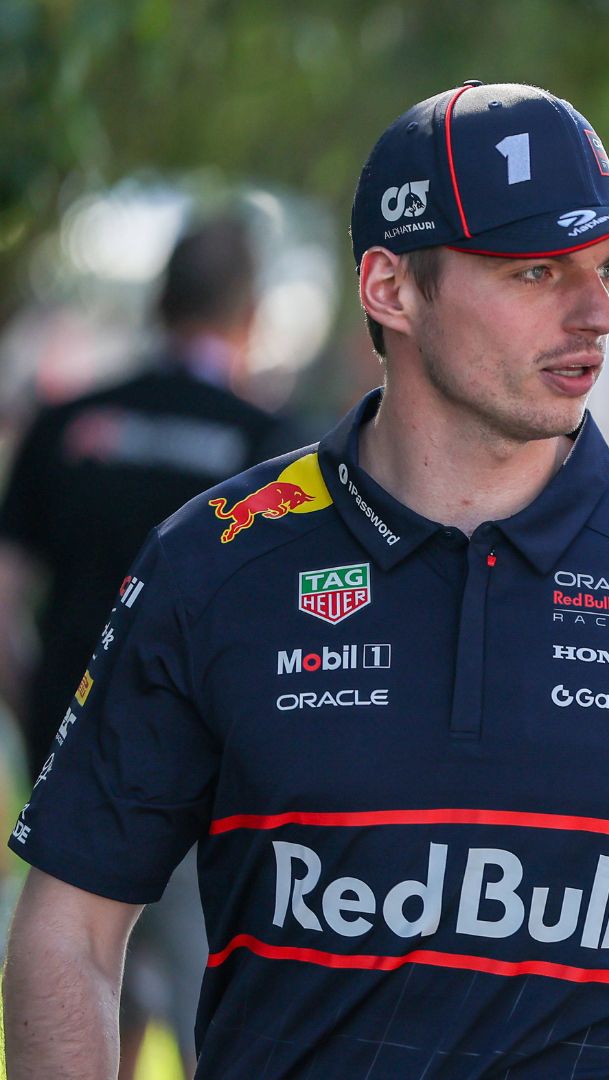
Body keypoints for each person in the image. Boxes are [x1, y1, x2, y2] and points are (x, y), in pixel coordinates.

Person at [4, 81, 609, 1078]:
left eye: (607, 268)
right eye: (536, 270)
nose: (599, 312)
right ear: (391, 289)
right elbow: (72, 933)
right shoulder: (215, 559)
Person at [0, 213, 299, 1078]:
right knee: (214, 978)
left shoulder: (66, 421)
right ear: (249, 312)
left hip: (72, 744)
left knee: (84, 958)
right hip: (216, 766)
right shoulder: (269, 446)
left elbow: (6, 598)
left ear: (161, 298)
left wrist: (46, 713)